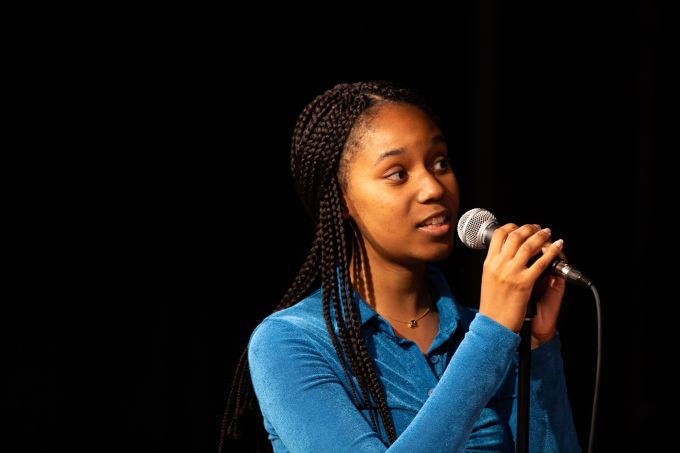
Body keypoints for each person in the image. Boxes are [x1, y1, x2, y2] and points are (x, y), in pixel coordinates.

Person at [221, 81, 581, 452]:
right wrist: (491, 335)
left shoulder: (485, 331)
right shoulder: (290, 342)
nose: (433, 188)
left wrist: (537, 345)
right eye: (398, 173)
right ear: (342, 199)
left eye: (439, 162)